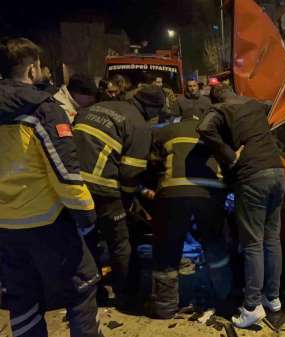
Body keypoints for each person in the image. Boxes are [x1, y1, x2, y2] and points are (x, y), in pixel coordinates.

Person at [0, 37, 102, 337]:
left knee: (22, 297)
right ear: (32, 69)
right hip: (45, 220)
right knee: (83, 285)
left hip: (4, 227)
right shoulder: (42, 109)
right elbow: (66, 174)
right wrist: (87, 216)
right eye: (42, 67)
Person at [197, 85, 285, 328]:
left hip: (252, 176)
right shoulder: (255, 104)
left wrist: (229, 155)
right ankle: (273, 298)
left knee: (253, 244)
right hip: (278, 171)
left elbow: (204, 128)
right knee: (272, 239)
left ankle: (251, 306)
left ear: (215, 99)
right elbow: (272, 104)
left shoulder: (221, 108)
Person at [73, 85, 165, 307]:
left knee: (86, 238)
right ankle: (126, 294)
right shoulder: (139, 125)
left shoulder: (95, 107)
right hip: (103, 187)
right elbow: (130, 172)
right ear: (152, 110)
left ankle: (90, 291)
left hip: (73, 184)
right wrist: (129, 201)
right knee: (119, 241)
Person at [146, 101, 232, 319]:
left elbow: (152, 164)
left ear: (180, 117)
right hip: (209, 194)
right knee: (214, 243)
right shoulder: (214, 133)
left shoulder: (166, 131)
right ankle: (224, 297)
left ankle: (165, 307)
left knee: (167, 248)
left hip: (173, 194)